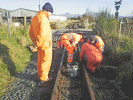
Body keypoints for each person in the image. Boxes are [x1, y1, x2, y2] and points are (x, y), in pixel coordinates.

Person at [29, 2, 53, 85]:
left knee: (40, 60)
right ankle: (43, 78)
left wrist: (35, 42)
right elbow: (42, 33)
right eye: (50, 12)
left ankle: (40, 75)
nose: (50, 14)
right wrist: (38, 43)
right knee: (45, 61)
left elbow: (31, 32)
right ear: (47, 11)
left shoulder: (35, 18)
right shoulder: (44, 19)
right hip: (45, 45)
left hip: (40, 44)